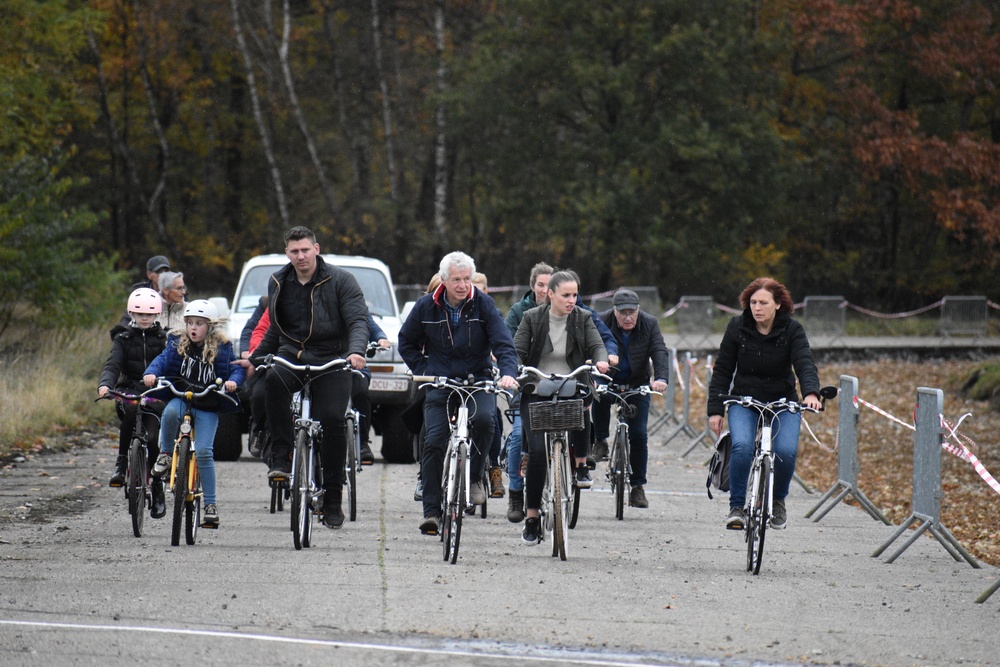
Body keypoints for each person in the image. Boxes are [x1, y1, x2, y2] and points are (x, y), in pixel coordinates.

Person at [250, 226, 369, 530]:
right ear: (287, 253)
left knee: (332, 419)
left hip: (332, 357)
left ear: (316, 248)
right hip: (293, 353)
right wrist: (255, 358)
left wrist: (356, 352)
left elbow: (357, 320)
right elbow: (276, 327)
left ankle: (332, 499)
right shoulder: (279, 280)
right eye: (294, 251)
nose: (300, 256)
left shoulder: (342, 280)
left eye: (305, 249)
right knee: (272, 380)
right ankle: (280, 456)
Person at [398, 251, 518, 535]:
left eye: (467, 279)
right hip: (440, 382)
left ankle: (476, 477)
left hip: (477, 380)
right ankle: (431, 512)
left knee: (488, 420)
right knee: (434, 439)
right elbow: (406, 342)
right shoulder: (426, 307)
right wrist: (424, 368)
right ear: (443, 280)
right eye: (457, 280)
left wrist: (508, 372)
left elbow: (503, 343)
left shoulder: (484, 305)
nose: (463, 285)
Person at [707, 277, 822, 531]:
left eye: (763, 303)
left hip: (783, 401)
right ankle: (736, 507)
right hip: (744, 400)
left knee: (786, 451)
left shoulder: (792, 330)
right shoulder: (737, 327)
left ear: (778, 304)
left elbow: (804, 362)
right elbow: (723, 370)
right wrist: (715, 410)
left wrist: (811, 393)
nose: (757, 308)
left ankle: (778, 500)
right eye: (753, 302)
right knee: (742, 446)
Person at [513, 270, 609, 545]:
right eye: (566, 295)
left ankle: (580, 465)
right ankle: (532, 517)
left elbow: (596, 344)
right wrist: (513, 369)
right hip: (537, 386)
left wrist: (600, 361)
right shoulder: (532, 318)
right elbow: (518, 348)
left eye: (575, 295)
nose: (571, 300)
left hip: (571, 380)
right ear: (550, 294)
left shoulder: (583, 317)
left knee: (582, 404)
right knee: (537, 453)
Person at [145, 299, 245, 528]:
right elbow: (161, 361)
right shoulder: (176, 342)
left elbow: (236, 368)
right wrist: (151, 373)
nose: (193, 328)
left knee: (204, 452)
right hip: (182, 398)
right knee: (169, 414)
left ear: (210, 326)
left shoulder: (222, 347)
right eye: (190, 322)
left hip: (208, 404)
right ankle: (166, 454)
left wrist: (232, 382)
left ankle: (210, 505)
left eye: (199, 323)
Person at [592, 289, 670, 508]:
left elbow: (659, 350)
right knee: (599, 397)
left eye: (632, 312)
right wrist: (595, 376)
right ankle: (600, 441)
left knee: (638, 434)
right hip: (608, 378)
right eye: (623, 313)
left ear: (638, 311)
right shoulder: (602, 320)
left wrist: (661, 378)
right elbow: (592, 346)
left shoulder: (649, 323)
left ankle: (637, 487)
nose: (628, 317)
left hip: (638, 381)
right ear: (614, 311)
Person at [98, 288, 168, 518]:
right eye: (139, 314)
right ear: (131, 314)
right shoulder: (123, 338)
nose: (144, 318)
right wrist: (105, 384)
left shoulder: (164, 339)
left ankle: (157, 488)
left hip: (156, 393)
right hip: (129, 390)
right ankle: (121, 463)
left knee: (154, 436)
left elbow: (172, 366)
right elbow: (112, 365)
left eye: (149, 314)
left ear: (157, 315)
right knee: (129, 411)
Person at [472, 271, 506, 499]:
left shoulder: (494, 314)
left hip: (485, 377)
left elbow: (502, 339)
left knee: (492, 416)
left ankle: (494, 466)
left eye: (478, 287)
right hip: (460, 380)